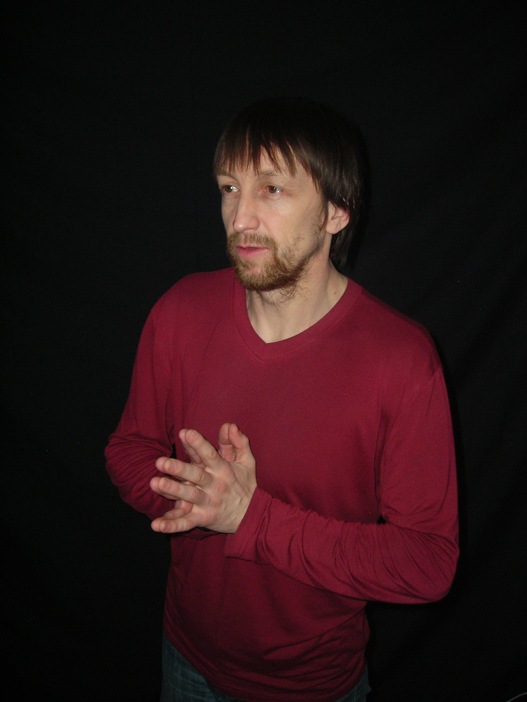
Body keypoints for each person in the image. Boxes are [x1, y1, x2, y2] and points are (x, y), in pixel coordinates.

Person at [105, 97, 459, 702]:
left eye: (271, 189)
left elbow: (427, 562)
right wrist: (198, 500)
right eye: (229, 188)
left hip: (315, 685)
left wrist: (251, 519)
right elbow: (128, 448)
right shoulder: (181, 312)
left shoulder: (401, 360)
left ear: (336, 211)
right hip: (185, 658)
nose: (239, 217)